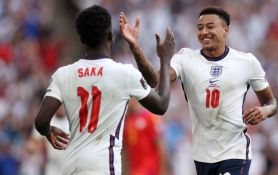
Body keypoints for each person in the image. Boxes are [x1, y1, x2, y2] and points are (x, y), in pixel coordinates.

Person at [120, 6, 278, 175]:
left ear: (226, 31)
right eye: (200, 28)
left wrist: (265, 110)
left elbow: (271, 102)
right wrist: (137, 48)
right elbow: (155, 80)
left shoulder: (246, 61)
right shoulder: (185, 59)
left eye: (210, 27)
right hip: (202, 156)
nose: (204, 32)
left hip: (235, 152)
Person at [34, 5, 175, 175]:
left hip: (71, 165)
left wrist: (48, 132)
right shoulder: (124, 73)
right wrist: (165, 61)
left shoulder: (62, 75)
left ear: (82, 40)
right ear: (110, 36)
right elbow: (161, 104)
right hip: (103, 166)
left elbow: (41, 121)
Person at [122, 99, 168, 175]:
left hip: (150, 169)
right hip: (135, 171)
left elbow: (160, 147)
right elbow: (126, 151)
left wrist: (163, 170)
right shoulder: (127, 122)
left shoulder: (150, 117)